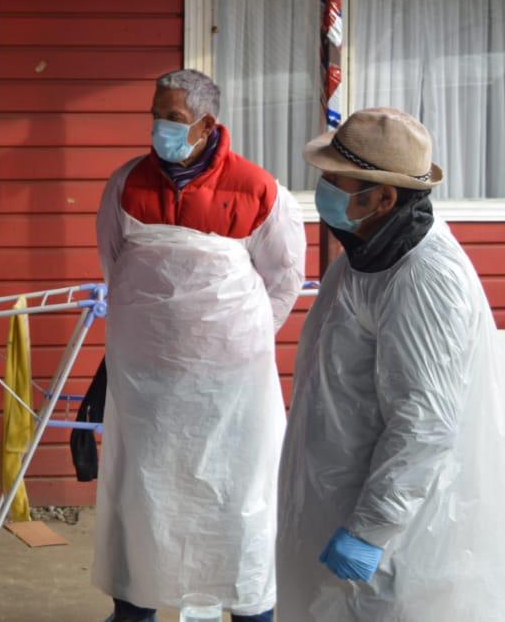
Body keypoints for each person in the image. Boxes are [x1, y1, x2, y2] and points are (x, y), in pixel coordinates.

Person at [93, 69, 306, 622]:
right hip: (147, 383)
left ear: (207, 124)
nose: (160, 127)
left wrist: (231, 340)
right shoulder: (126, 184)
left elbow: (283, 278)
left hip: (230, 387)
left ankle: (249, 609)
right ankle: (134, 607)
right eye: (156, 114)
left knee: (235, 500)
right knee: (143, 496)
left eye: (173, 118)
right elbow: (118, 265)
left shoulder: (258, 189)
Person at [277, 107, 505, 621]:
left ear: (384, 197)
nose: (325, 193)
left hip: (393, 539)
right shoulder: (365, 253)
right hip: (341, 496)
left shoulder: (424, 278)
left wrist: (369, 529)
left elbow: (424, 424)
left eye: (338, 182)